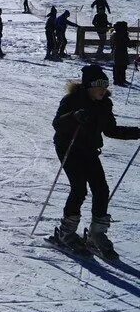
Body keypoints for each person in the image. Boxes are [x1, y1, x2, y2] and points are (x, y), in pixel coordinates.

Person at [50, 64, 140, 258]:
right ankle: (66, 232)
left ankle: (96, 233)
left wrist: (137, 132)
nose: (102, 89)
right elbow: (57, 124)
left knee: (101, 189)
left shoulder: (104, 104)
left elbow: (111, 130)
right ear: (88, 86)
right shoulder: (72, 100)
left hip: (89, 149)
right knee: (79, 189)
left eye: (105, 85)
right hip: (69, 148)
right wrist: (74, 116)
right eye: (98, 86)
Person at [111, 22, 135, 86]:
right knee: (119, 66)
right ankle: (117, 80)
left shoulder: (121, 34)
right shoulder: (118, 34)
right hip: (118, 51)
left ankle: (122, 79)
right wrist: (132, 43)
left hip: (121, 51)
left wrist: (132, 43)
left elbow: (127, 43)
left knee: (123, 66)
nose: (127, 28)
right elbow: (126, 43)